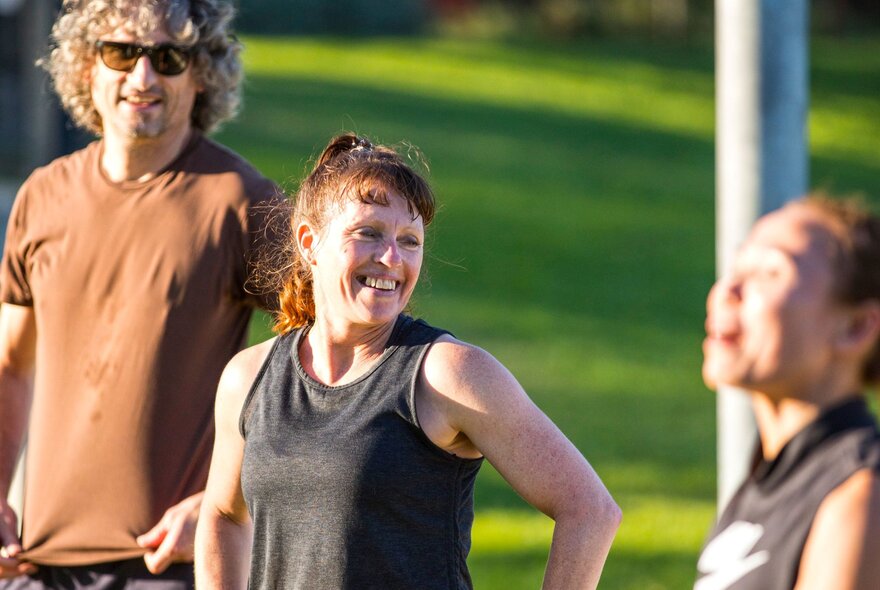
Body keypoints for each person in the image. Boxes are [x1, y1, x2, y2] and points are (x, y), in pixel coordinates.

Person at [194, 133, 622, 589]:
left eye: (410, 240)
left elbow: (590, 510)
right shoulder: (249, 377)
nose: (392, 258)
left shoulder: (446, 373)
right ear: (308, 241)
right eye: (369, 233)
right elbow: (223, 515)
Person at [0, 0, 280, 587]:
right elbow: (9, 367)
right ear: (87, 66)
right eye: (121, 53)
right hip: (36, 565)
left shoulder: (242, 201)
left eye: (169, 57)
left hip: (172, 566)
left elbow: (328, 372)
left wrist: (224, 498)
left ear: (201, 75)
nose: (143, 76)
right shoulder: (42, 196)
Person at [695, 196, 880, 590]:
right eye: (736, 268)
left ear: (857, 328)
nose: (727, 289)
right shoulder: (769, 480)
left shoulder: (860, 495)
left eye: (770, 272)